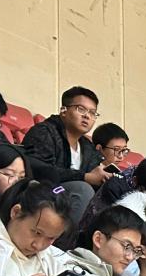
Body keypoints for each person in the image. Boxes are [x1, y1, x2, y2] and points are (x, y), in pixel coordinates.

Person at [22, 87, 112, 229]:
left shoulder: (87, 147)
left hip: (69, 198)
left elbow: (95, 173)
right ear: (63, 111)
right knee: (83, 189)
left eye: (92, 113)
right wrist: (85, 177)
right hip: (46, 192)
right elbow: (41, 170)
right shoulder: (44, 131)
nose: (87, 116)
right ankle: (62, 239)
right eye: (81, 109)